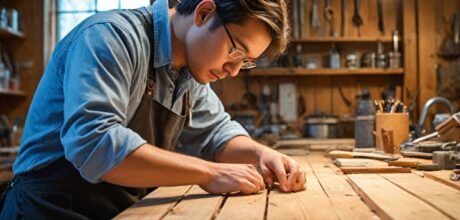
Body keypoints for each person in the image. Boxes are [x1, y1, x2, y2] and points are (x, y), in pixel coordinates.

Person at [0, 0, 306, 219]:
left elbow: (216, 135)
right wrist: (207, 172)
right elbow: (94, 143)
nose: (234, 70)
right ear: (204, 12)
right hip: (49, 206)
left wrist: (262, 155)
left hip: (118, 209)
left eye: (246, 61)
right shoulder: (111, 37)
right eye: (235, 50)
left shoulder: (190, 71)